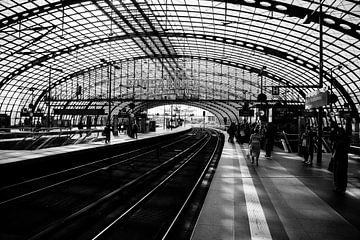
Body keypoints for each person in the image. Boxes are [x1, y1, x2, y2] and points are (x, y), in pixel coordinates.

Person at [333, 127, 349, 194]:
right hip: (340, 158)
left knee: (340, 173)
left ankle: (340, 187)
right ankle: (340, 187)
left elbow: (337, 149)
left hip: (341, 158)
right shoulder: (343, 140)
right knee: (339, 173)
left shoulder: (341, 141)